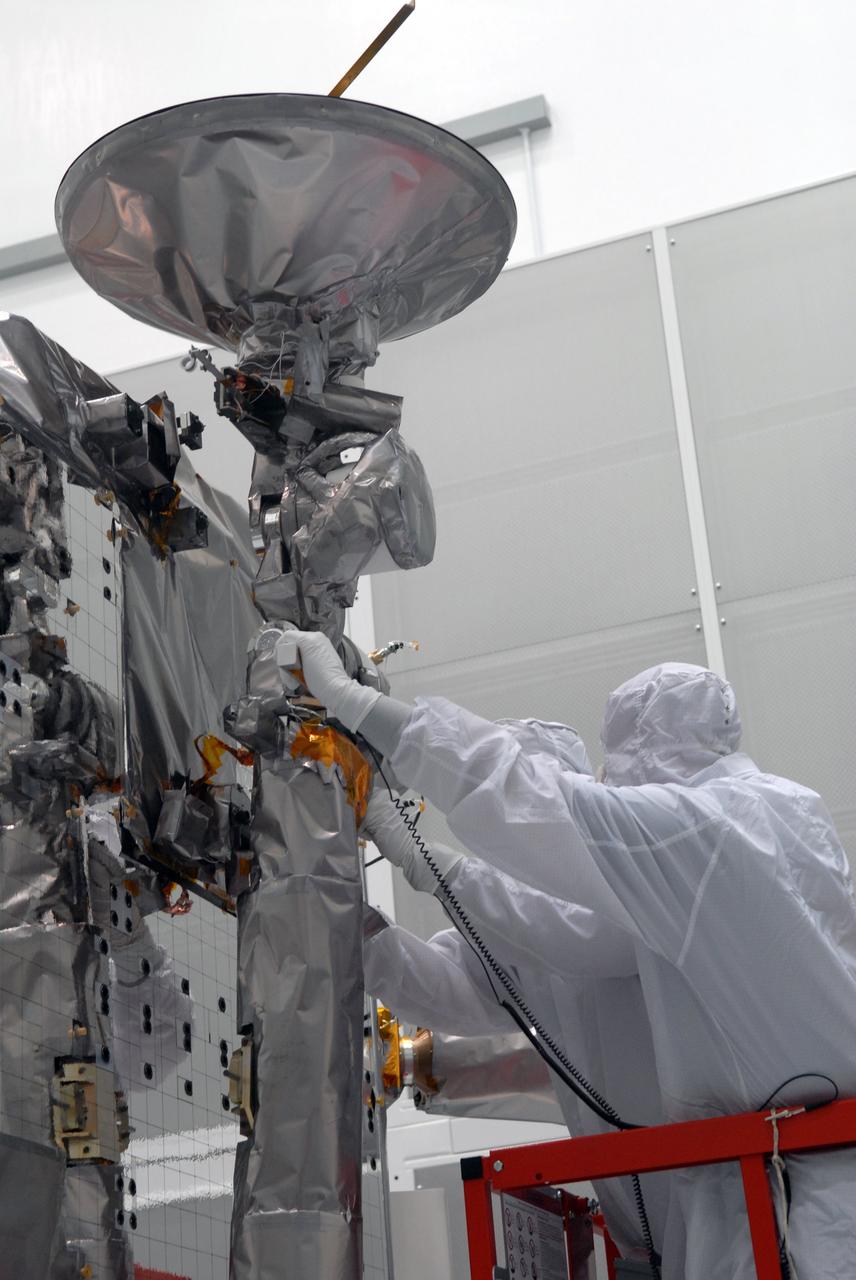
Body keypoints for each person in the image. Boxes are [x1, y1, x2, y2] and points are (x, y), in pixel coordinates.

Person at [284, 633, 856, 1280]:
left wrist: (360, 717)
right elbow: (451, 984)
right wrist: (351, 924)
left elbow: (560, 898)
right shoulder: (743, 829)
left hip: (784, 1207)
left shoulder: (707, 838)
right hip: (718, 1208)